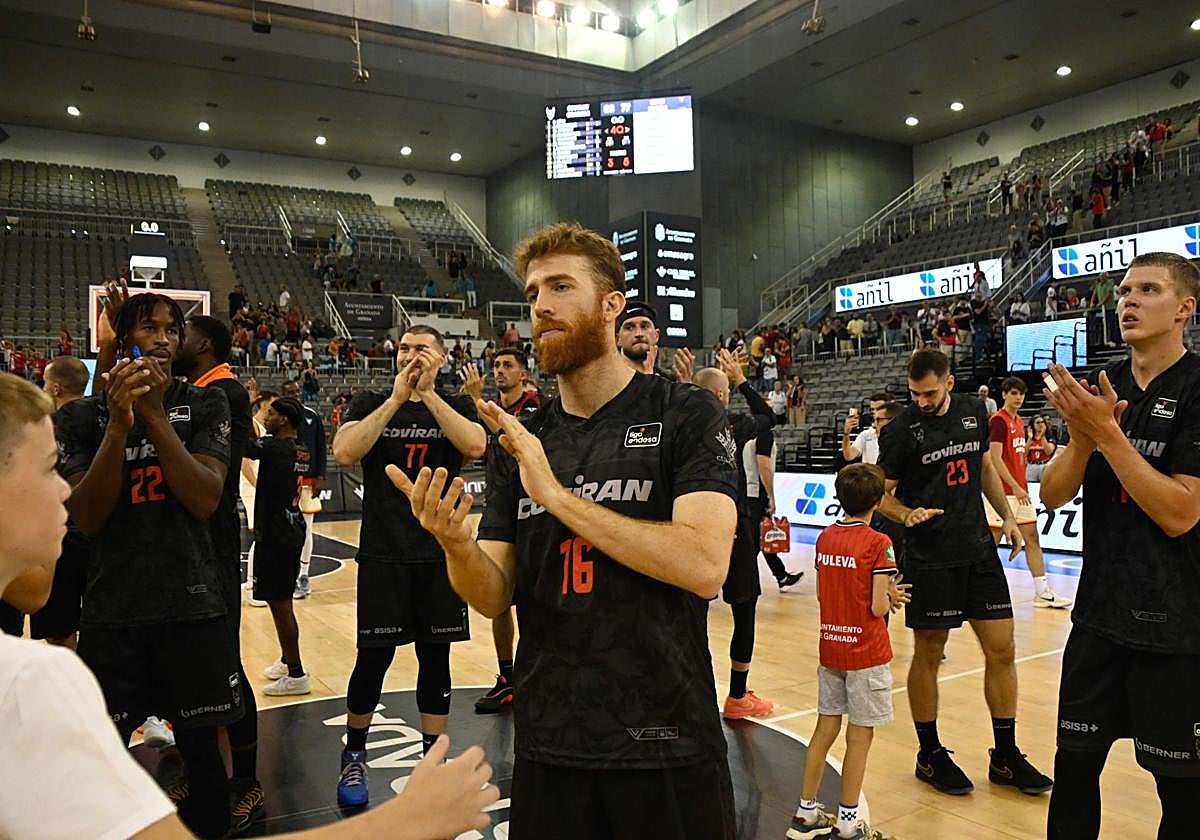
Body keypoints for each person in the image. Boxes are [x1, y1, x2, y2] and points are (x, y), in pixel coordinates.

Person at [0, 371, 502, 840]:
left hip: (286, 539)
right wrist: (400, 822)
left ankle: (295, 686)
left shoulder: (30, 670)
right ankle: (322, 720)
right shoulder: (30, 679)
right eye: (49, 469)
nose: (65, 487)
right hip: (309, 545)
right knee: (340, 645)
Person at [389, 222, 740, 837]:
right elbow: (492, 594)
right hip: (550, 743)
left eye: (560, 287)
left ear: (611, 305)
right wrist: (456, 544)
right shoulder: (523, 438)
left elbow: (705, 565)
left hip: (666, 740)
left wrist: (555, 496)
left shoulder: (685, 412)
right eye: (532, 294)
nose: (541, 307)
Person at [58, 293, 242, 839]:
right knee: (103, 756)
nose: (162, 339)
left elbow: (205, 497)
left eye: (171, 329)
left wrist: (154, 416)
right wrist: (119, 426)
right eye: (148, 328)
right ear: (122, 339)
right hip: (112, 611)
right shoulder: (82, 416)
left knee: (202, 753)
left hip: (191, 606)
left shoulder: (206, 403)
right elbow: (86, 516)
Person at [1041, 253, 1200, 839]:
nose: (1128, 301)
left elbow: (1181, 513)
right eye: (1125, 290)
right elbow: (1052, 494)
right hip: (1098, 620)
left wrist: (1107, 434)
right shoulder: (1101, 388)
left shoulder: (1197, 388)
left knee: (1183, 795)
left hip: (1175, 629)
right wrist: (1083, 439)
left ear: (1184, 308)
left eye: (1148, 290)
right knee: (1073, 774)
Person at [877, 349, 1052, 797]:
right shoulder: (900, 431)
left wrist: (1006, 516)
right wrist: (906, 514)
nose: (922, 401)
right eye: (915, 394)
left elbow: (985, 468)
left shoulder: (975, 411)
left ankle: (1005, 755)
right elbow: (881, 495)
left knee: (1003, 648)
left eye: (930, 393)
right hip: (929, 555)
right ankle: (929, 753)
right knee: (929, 651)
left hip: (977, 549)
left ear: (949, 383)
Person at [330, 325, 487, 806]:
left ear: (440, 358)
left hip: (439, 556)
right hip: (384, 554)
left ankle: (432, 763)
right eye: (404, 348)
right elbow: (344, 451)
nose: (411, 356)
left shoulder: (454, 405)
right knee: (372, 659)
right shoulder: (372, 401)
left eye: (422, 349)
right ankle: (354, 754)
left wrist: (429, 396)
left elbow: (475, 446)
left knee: (435, 660)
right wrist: (398, 398)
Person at [172, 313, 265, 830]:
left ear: (204, 344)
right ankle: (202, 769)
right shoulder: (194, 390)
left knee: (223, 664)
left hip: (213, 546)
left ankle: (246, 780)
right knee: (186, 664)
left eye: (179, 333)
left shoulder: (223, 393)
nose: (172, 341)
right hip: (183, 546)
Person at [787, 463, 910, 840]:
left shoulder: (825, 537)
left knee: (824, 729)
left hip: (831, 648)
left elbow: (822, 594)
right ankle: (848, 822)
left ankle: (805, 813)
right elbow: (877, 606)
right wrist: (891, 595)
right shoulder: (878, 543)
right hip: (866, 652)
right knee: (859, 737)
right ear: (879, 501)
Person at [694, 349, 779, 720]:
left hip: (695, 525)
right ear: (721, 395)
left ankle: (694, 693)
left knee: (692, 616)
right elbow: (768, 416)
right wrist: (742, 380)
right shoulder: (734, 424)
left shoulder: (680, 425)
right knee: (744, 612)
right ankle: (737, 696)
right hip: (734, 525)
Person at [461, 347, 541, 714]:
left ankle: (537, 672)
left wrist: (477, 401)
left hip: (533, 504)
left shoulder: (535, 405)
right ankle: (507, 676)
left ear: (524, 374)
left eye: (508, 365)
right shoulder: (489, 407)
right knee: (498, 598)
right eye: (495, 365)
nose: (499, 370)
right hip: (498, 504)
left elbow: (513, 435)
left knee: (535, 597)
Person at [983, 378, 1071, 608]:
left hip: (1020, 492)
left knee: (1032, 538)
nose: (1018, 398)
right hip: (1002, 492)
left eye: (1021, 394)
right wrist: (1015, 485)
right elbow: (994, 458)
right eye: (1014, 393)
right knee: (991, 543)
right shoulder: (998, 421)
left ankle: (1042, 592)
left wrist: (1020, 486)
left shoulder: (1019, 421)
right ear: (1004, 394)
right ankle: (978, 589)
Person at [246, 397, 312, 696]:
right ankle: (287, 660)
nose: (266, 417)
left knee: (281, 606)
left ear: (284, 419)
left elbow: (246, 447)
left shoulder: (276, 448)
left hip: (277, 535)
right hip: (290, 528)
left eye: (270, 413)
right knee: (278, 603)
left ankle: (297, 674)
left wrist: (245, 407)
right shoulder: (299, 447)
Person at [740, 407, 803, 592]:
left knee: (762, 538)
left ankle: (781, 575)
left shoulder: (746, 435)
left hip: (747, 491)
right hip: (757, 493)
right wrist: (770, 495)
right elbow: (764, 466)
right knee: (755, 542)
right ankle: (738, 579)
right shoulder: (764, 435)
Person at [278, 379, 327, 598]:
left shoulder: (311, 416)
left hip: (308, 481)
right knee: (284, 529)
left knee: (307, 528)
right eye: (290, 392)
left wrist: (321, 476)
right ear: (283, 394)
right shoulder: (277, 417)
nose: (295, 395)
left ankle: (304, 575)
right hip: (285, 480)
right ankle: (285, 575)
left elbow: (321, 447)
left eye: (297, 392)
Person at [1025, 414, 1056, 482]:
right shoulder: (1028, 437)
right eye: (1038, 423)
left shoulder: (1049, 436)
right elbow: (1024, 454)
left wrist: (1042, 436)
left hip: (1045, 465)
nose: (1041, 424)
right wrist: (1029, 439)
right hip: (1031, 466)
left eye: (1042, 422)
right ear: (1032, 425)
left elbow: (1048, 452)